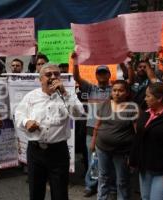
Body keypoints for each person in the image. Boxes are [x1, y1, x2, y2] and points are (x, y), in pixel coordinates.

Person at [15, 63, 84, 200]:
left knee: (60, 194)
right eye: (48, 75)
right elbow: (19, 114)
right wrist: (26, 122)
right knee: (36, 192)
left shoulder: (68, 96)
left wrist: (64, 93)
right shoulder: (31, 97)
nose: (53, 77)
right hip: (35, 152)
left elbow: (78, 113)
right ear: (40, 79)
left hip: (58, 153)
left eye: (56, 74)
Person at [72, 53, 114, 197]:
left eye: (104, 72)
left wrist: (125, 63)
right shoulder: (90, 88)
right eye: (99, 73)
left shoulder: (115, 90)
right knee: (92, 160)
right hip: (91, 131)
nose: (102, 75)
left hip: (108, 131)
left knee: (109, 161)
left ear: (109, 75)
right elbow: (76, 78)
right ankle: (90, 185)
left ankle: (109, 186)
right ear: (96, 76)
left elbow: (131, 80)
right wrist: (76, 61)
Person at [91, 80, 139, 200]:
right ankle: (101, 198)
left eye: (121, 90)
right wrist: (93, 143)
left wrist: (135, 152)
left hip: (122, 151)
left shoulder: (132, 107)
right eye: (114, 90)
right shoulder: (104, 104)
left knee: (122, 180)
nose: (117, 93)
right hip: (102, 148)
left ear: (127, 93)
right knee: (103, 177)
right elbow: (97, 126)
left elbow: (138, 132)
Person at [129, 82, 163, 200]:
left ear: (159, 98)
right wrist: (133, 159)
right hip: (145, 169)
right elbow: (139, 137)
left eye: (148, 96)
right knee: (145, 197)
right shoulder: (146, 113)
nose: (145, 99)